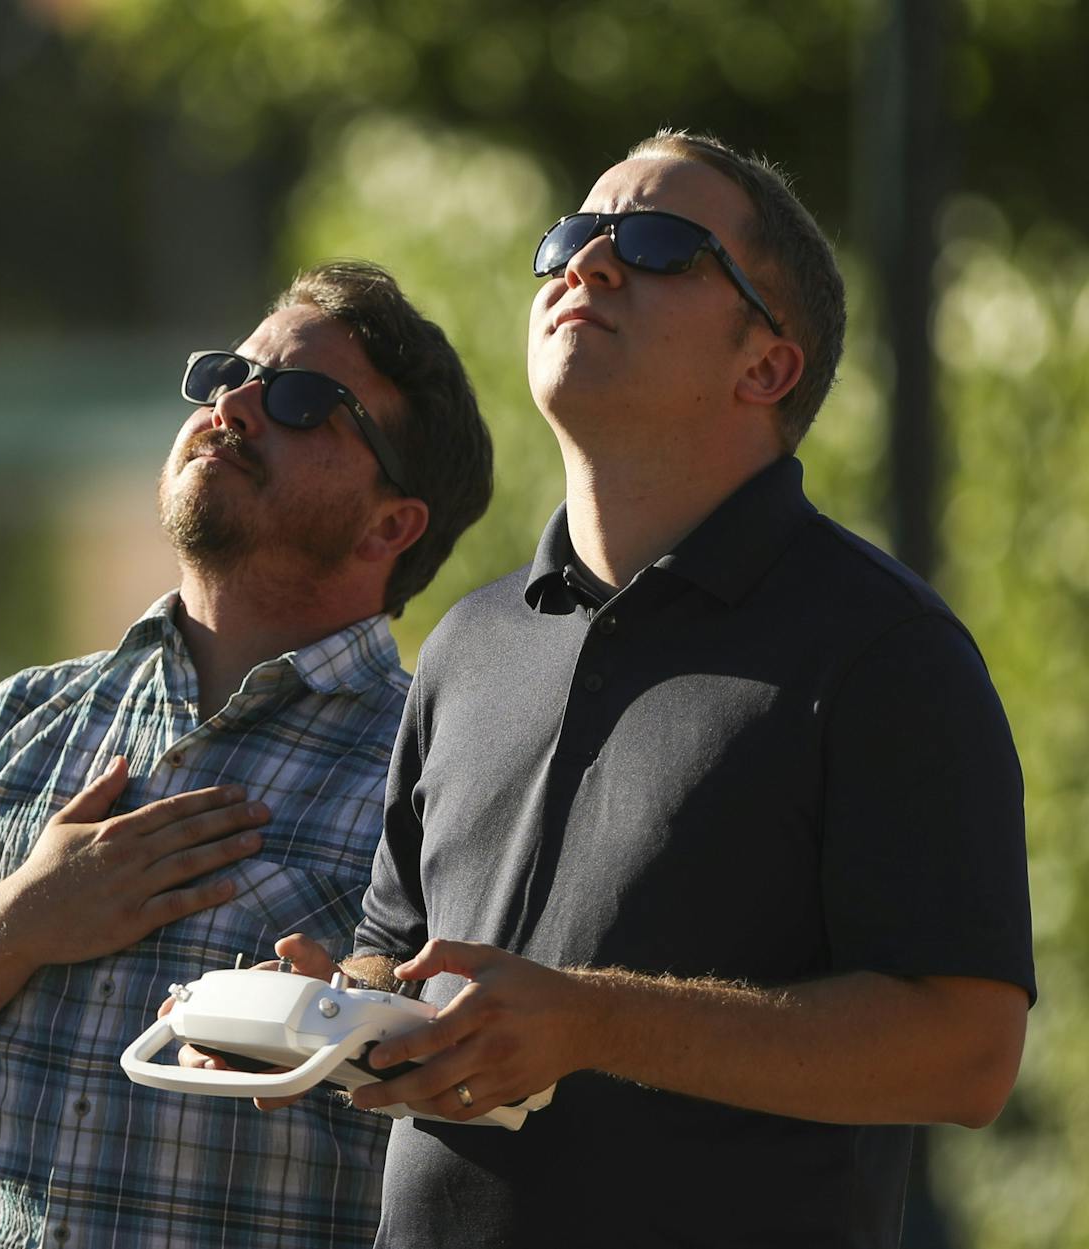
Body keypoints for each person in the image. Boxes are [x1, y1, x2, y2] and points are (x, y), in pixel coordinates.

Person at [267, 132, 1035, 1248]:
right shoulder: (466, 645)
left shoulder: (884, 650)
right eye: (573, 236)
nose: (588, 264)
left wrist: (593, 1020)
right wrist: (329, 1005)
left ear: (766, 366)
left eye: (659, 244)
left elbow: (969, 1054)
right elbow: (402, 945)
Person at [0, 260, 494, 1249]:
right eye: (229, 373)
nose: (234, 404)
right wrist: (16, 925)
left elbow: (520, 1115)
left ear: (391, 523)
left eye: (304, 400)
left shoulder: (448, 770)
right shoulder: (15, 721)